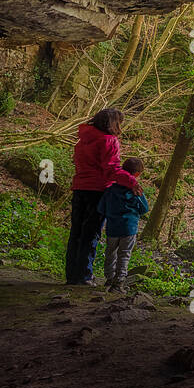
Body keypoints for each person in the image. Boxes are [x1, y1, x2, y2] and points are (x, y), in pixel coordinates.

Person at [65, 108, 126, 285]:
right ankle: (84, 275)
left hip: (79, 188)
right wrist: (132, 182)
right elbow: (112, 169)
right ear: (113, 122)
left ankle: (72, 275)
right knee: (91, 233)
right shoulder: (109, 141)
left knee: (76, 232)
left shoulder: (82, 141)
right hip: (98, 191)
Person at [97, 157, 149, 291]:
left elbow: (101, 208)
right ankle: (119, 282)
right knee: (124, 254)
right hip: (129, 228)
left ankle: (109, 279)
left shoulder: (110, 190)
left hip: (112, 228)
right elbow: (144, 209)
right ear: (136, 174)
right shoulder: (136, 191)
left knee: (110, 253)